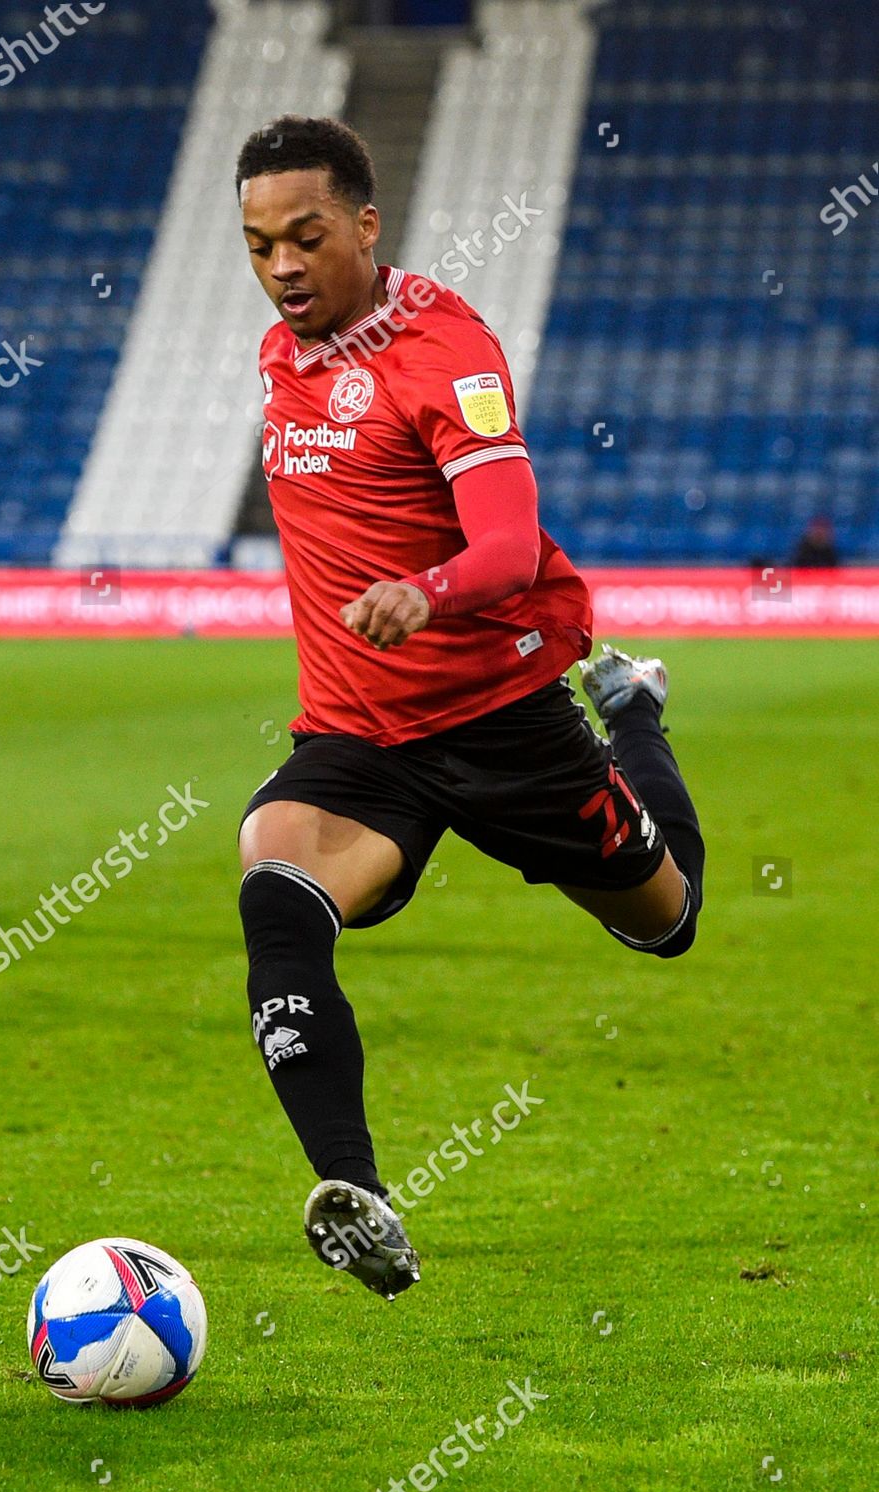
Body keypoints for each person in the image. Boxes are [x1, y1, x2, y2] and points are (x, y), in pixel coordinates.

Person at [234, 116, 705, 1300]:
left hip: (501, 721)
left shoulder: (448, 351)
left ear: (365, 225)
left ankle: (633, 711)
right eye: (258, 246)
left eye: (306, 237)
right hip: (357, 738)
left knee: (666, 920)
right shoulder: (279, 356)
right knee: (274, 884)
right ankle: (359, 1196)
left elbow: (502, 543)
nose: (283, 267)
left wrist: (425, 591)